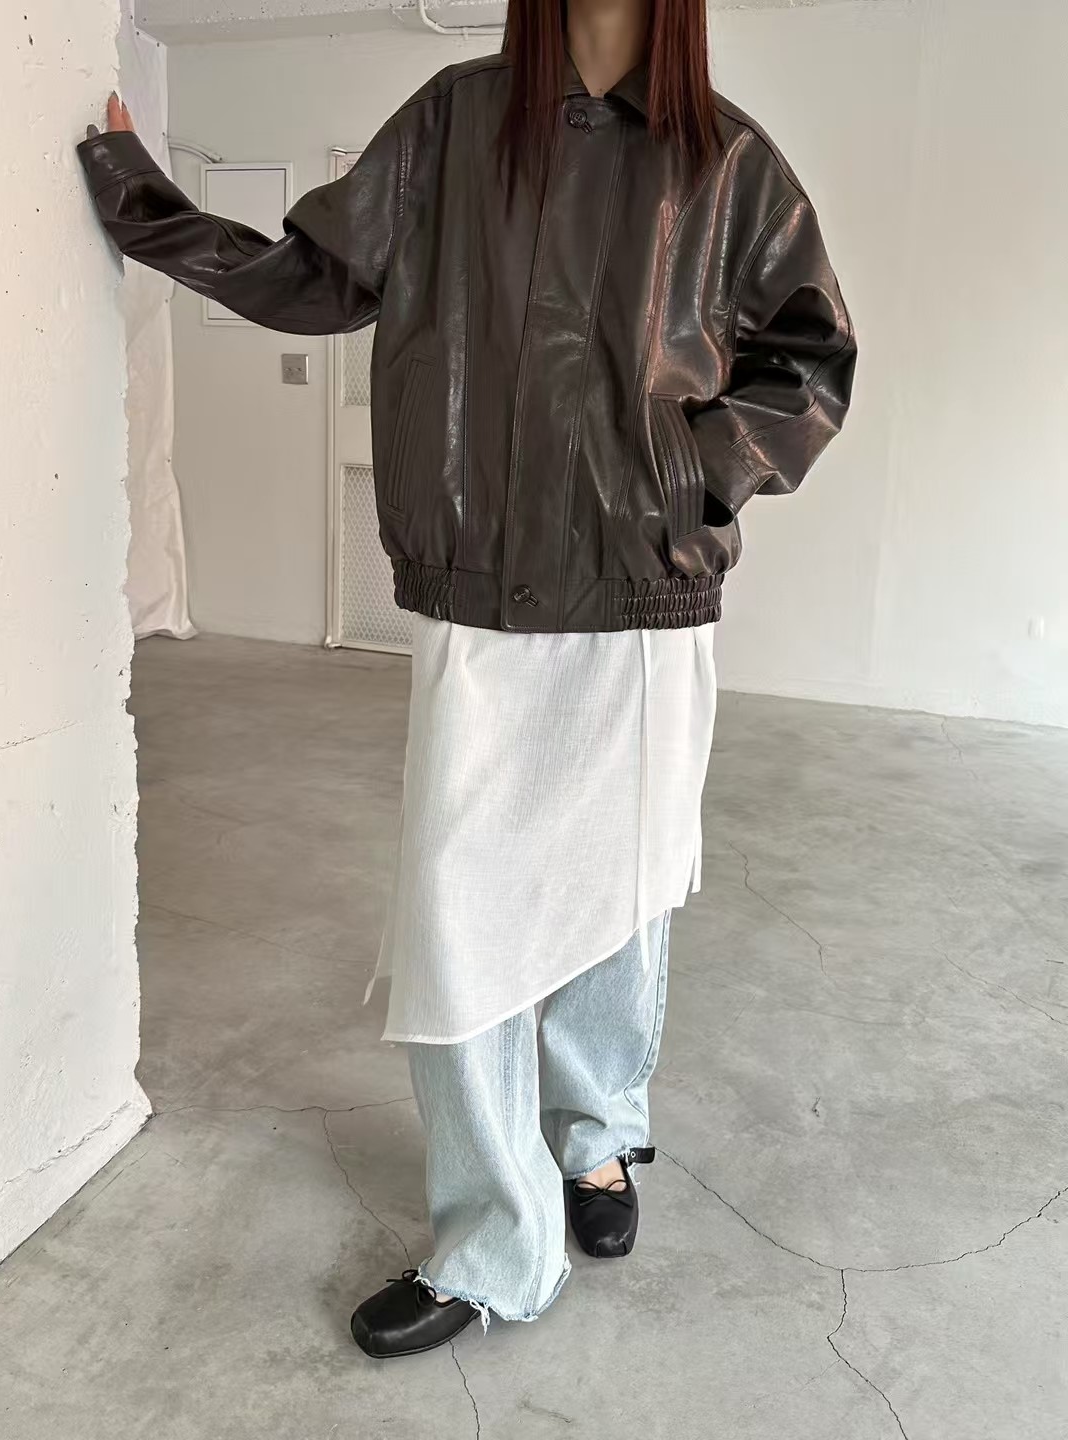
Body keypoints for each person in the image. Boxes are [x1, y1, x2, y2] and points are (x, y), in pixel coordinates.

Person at [78, 0, 855, 1360]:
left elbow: (811, 361)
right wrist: (143, 202)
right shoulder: (453, 122)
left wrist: (682, 477)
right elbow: (317, 279)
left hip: (642, 599)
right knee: (463, 921)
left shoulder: (725, 161)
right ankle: (499, 1242)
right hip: (482, 594)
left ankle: (595, 1137)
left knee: (618, 895)